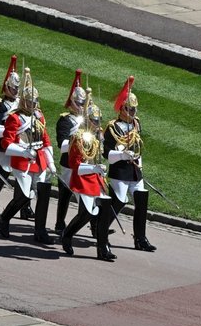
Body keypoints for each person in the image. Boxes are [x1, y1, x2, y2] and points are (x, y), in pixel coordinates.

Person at [0, 67, 57, 244]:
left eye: (35, 101)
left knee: (43, 195)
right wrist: (23, 151)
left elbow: (45, 140)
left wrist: (51, 162)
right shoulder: (14, 118)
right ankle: (4, 218)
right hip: (22, 161)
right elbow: (6, 144)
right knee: (24, 195)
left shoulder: (39, 116)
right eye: (31, 102)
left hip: (39, 161)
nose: (34, 105)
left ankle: (40, 231)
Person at [61, 90, 116, 261]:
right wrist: (95, 169)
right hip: (82, 178)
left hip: (96, 178)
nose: (97, 124)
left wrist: (99, 170)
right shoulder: (78, 137)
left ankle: (103, 248)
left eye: (98, 121)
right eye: (94, 121)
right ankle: (67, 234)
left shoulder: (96, 138)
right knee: (87, 213)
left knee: (104, 210)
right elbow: (75, 165)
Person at [104, 76, 155, 252]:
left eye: (134, 109)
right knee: (119, 201)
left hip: (134, 170)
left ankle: (140, 238)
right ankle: (99, 227)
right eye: (129, 109)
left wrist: (139, 163)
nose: (133, 112)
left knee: (141, 201)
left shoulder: (136, 124)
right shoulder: (112, 127)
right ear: (122, 108)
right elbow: (107, 155)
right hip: (119, 171)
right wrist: (122, 155)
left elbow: (138, 146)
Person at [0, 55, 26, 219]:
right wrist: (10, 130)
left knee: (23, 175)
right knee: (1, 176)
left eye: (18, 89)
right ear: (7, 87)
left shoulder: (20, 103)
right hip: (2, 145)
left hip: (18, 144)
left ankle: (24, 207)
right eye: (14, 88)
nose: (16, 91)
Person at [55, 70, 86, 232]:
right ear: (72, 102)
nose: (81, 107)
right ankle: (60, 223)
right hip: (68, 162)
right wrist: (77, 142)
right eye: (79, 103)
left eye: (83, 103)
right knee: (65, 194)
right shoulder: (65, 120)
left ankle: (94, 226)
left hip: (84, 162)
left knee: (88, 194)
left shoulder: (87, 120)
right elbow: (62, 144)